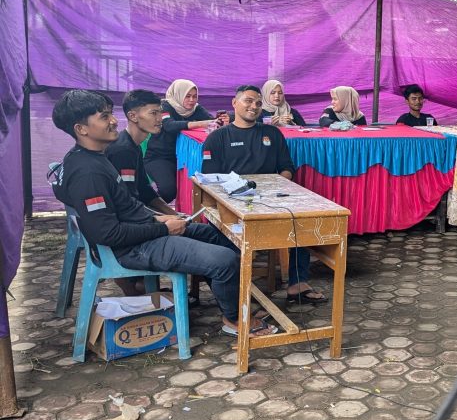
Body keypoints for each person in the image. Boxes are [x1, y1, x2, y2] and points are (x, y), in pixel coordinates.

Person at [51, 90, 275, 337]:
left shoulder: (97, 157)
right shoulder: (88, 172)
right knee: (224, 260)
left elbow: (130, 203)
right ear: (81, 129)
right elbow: (108, 233)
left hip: (144, 230)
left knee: (221, 236)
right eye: (104, 117)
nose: (114, 121)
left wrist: (161, 217)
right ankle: (234, 319)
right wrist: (163, 227)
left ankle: (232, 301)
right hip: (131, 247)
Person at [202, 85, 327, 305]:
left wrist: (278, 183)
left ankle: (297, 284)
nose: (254, 106)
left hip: (270, 200)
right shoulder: (217, 138)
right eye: (248, 101)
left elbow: (287, 167)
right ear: (234, 103)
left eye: (258, 103)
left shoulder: (272, 133)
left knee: (301, 221)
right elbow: (211, 180)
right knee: (227, 238)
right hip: (233, 203)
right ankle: (237, 293)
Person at [145, 79, 228, 203]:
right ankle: (149, 210)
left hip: (185, 158)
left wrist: (221, 122)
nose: (192, 100)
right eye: (187, 96)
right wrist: (200, 123)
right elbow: (169, 125)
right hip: (160, 157)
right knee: (168, 190)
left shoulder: (196, 108)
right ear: (178, 94)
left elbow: (211, 121)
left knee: (198, 186)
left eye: (195, 96)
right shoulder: (165, 106)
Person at [106, 89, 176, 215]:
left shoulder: (134, 146)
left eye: (160, 112)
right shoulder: (123, 151)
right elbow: (128, 201)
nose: (160, 119)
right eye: (153, 113)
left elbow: (144, 189)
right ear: (132, 116)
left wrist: (173, 213)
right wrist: (163, 218)